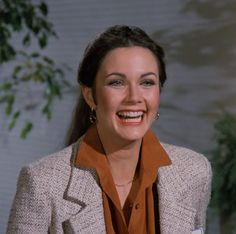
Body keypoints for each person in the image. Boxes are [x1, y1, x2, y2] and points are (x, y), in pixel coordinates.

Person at [7, 25, 212, 234]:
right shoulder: (42, 183)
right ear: (89, 96)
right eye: (116, 82)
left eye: (147, 82)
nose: (134, 97)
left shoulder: (194, 172)